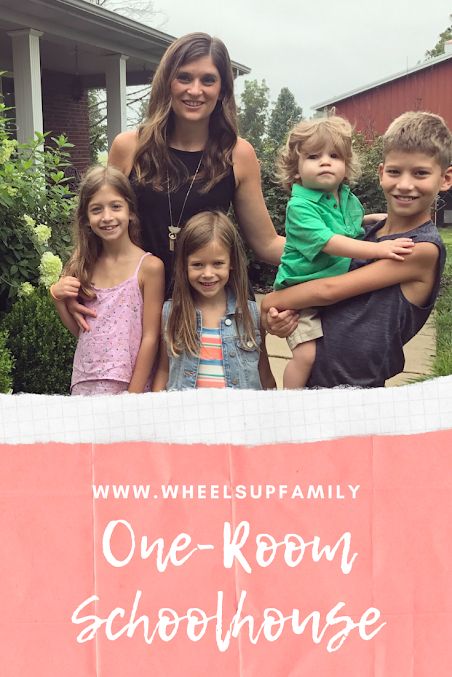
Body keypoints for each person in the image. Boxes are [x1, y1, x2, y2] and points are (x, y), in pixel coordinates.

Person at [262, 111, 452, 388]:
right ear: (381, 172)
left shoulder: (417, 249)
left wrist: (271, 302)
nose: (405, 184)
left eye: (420, 173)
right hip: (318, 376)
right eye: (395, 171)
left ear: (445, 179)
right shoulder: (372, 237)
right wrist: (280, 319)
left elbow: (328, 290)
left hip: (356, 388)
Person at [50, 165, 164, 395]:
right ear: (85, 218)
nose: (107, 217)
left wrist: (133, 396)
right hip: (85, 382)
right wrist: (56, 296)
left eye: (115, 206)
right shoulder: (82, 266)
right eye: (96, 209)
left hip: (129, 384)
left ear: (130, 211)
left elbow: (151, 337)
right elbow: (81, 331)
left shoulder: (150, 268)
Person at [152, 211, 275, 391]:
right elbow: (164, 370)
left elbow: (264, 373)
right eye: (198, 264)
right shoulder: (171, 312)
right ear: (184, 265)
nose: (208, 274)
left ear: (231, 262)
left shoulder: (251, 314)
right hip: (187, 416)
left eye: (217, 263)